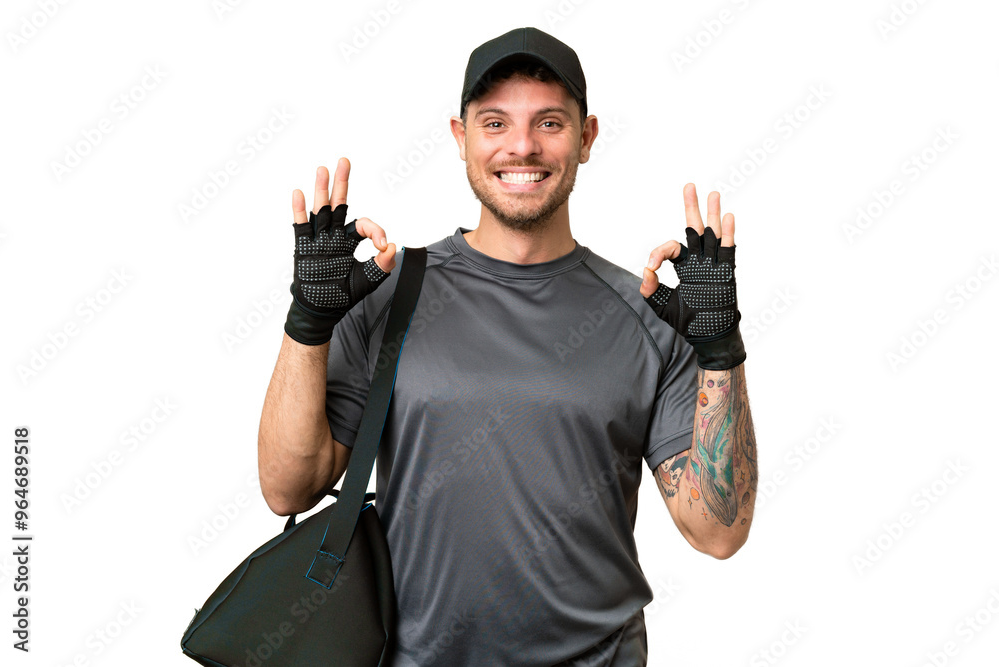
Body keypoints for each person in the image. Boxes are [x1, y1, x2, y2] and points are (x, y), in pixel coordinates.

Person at [258, 26, 758, 666]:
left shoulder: (651, 313)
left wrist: (720, 351)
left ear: (587, 137)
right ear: (460, 137)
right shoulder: (387, 294)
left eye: (549, 122)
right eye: (494, 123)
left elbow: (716, 532)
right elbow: (287, 491)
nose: (522, 146)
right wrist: (308, 322)